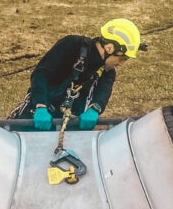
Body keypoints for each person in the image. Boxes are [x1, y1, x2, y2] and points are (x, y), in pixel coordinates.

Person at [8, 18, 146, 130]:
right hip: (37, 115)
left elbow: (103, 93)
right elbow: (41, 74)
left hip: (71, 124)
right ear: (109, 48)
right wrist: (40, 106)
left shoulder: (107, 72)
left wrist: (95, 109)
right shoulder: (71, 45)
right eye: (122, 58)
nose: (121, 63)